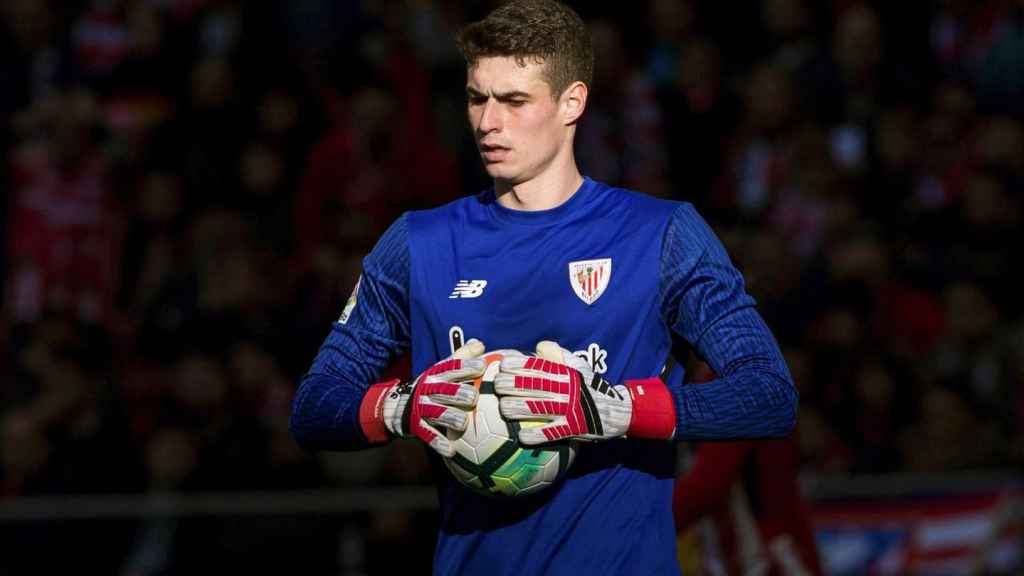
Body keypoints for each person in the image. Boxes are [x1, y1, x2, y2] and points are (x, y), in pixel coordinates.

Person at [289, 1, 798, 574]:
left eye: (513, 101)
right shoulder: (418, 243)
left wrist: (609, 410)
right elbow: (313, 406)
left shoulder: (662, 235)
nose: (487, 122)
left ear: (571, 103)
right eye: (477, 98)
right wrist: (400, 407)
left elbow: (769, 396)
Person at [673, 364, 823, 576]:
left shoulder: (739, 380)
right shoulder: (704, 380)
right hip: (742, 556)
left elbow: (708, 483)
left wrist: (641, 528)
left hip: (772, 557)